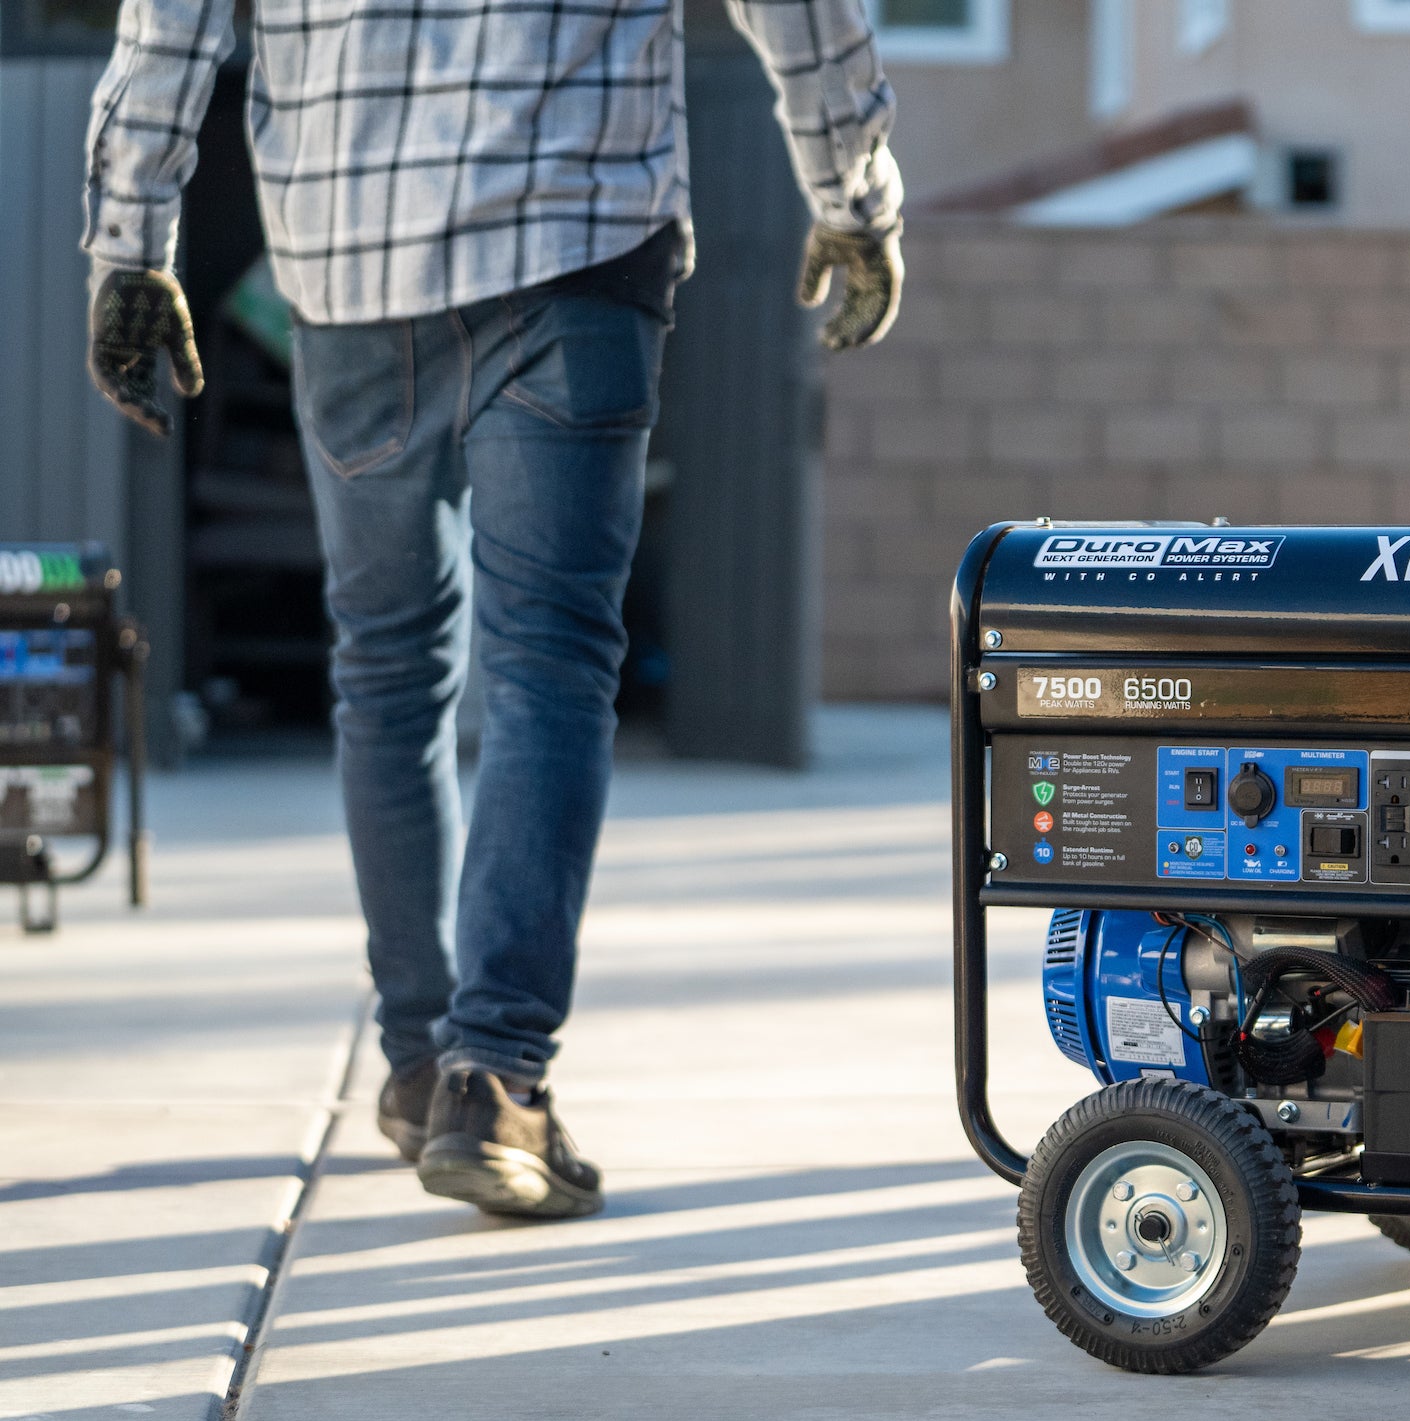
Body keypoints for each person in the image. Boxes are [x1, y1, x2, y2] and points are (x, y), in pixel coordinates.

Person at [81, 0, 905, 1219]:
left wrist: (129, 242)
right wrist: (852, 191)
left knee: (387, 665)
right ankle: (496, 1075)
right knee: (548, 663)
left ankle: (425, 1063)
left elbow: (173, 14)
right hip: (571, 240)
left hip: (351, 254)